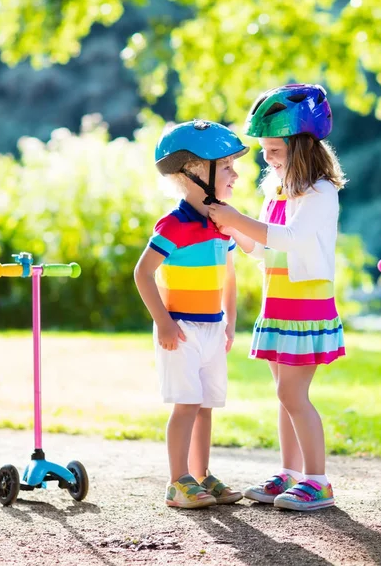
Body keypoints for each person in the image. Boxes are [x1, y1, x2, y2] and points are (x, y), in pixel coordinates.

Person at [208, 84, 346, 511]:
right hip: (280, 302)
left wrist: (237, 218)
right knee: (283, 395)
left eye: (275, 149)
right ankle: (290, 474)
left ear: (302, 144)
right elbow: (269, 250)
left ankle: (317, 481)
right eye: (265, 149)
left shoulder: (321, 192)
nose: (268, 157)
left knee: (293, 395)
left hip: (307, 303)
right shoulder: (278, 191)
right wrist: (235, 233)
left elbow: (292, 239)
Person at [134, 119, 248, 508]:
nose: (236, 173)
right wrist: (164, 321)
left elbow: (230, 277)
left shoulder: (222, 221)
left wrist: (230, 321)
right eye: (228, 166)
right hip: (180, 329)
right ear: (197, 172)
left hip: (213, 329)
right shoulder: (174, 224)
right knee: (186, 404)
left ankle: (200, 475)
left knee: (205, 406)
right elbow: (142, 273)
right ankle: (177, 481)